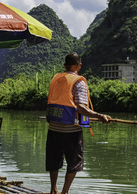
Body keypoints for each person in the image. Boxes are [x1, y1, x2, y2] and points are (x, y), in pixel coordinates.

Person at [45, 52, 111, 194]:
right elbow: (81, 107)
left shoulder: (56, 78)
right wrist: (99, 116)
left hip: (54, 127)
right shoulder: (78, 81)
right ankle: (64, 192)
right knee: (74, 162)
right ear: (79, 66)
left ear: (65, 65)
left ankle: (53, 190)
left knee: (53, 159)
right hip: (71, 130)